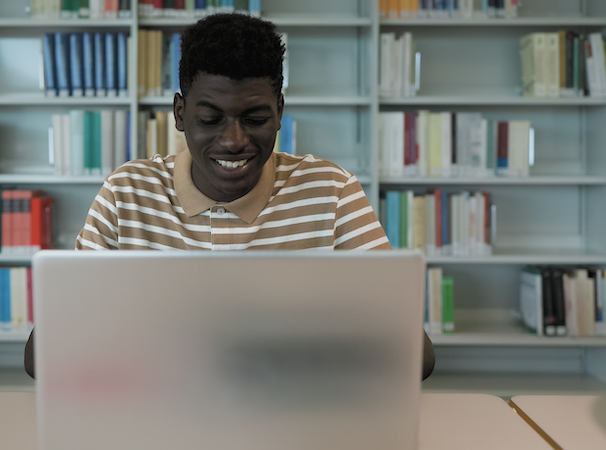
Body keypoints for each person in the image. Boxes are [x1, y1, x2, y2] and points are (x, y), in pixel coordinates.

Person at [25, 13, 434, 379]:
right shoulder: (126, 193)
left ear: (279, 111)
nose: (234, 141)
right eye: (210, 119)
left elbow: (418, 355)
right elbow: (40, 355)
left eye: (255, 119)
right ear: (180, 114)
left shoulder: (332, 191)